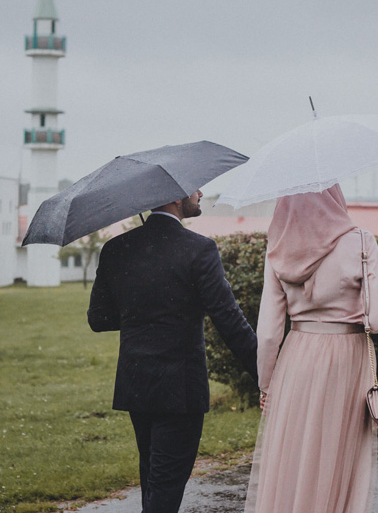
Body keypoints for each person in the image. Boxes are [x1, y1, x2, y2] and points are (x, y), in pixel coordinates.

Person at [88, 188, 259, 513]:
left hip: (136, 385)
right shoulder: (199, 249)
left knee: (153, 481)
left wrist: (142, 311)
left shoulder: (116, 248)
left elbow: (98, 318)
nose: (201, 193)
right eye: (195, 188)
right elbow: (229, 320)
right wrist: (268, 373)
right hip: (180, 390)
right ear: (176, 197)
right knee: (164, 491)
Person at [244, 184, 378, 513]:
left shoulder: (278, 247)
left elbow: (268, 332)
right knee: (339, 454)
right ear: (335, 197)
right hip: (347, 358)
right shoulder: (362, 242)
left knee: (295, 454)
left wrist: (267, 384)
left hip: (297, 356)